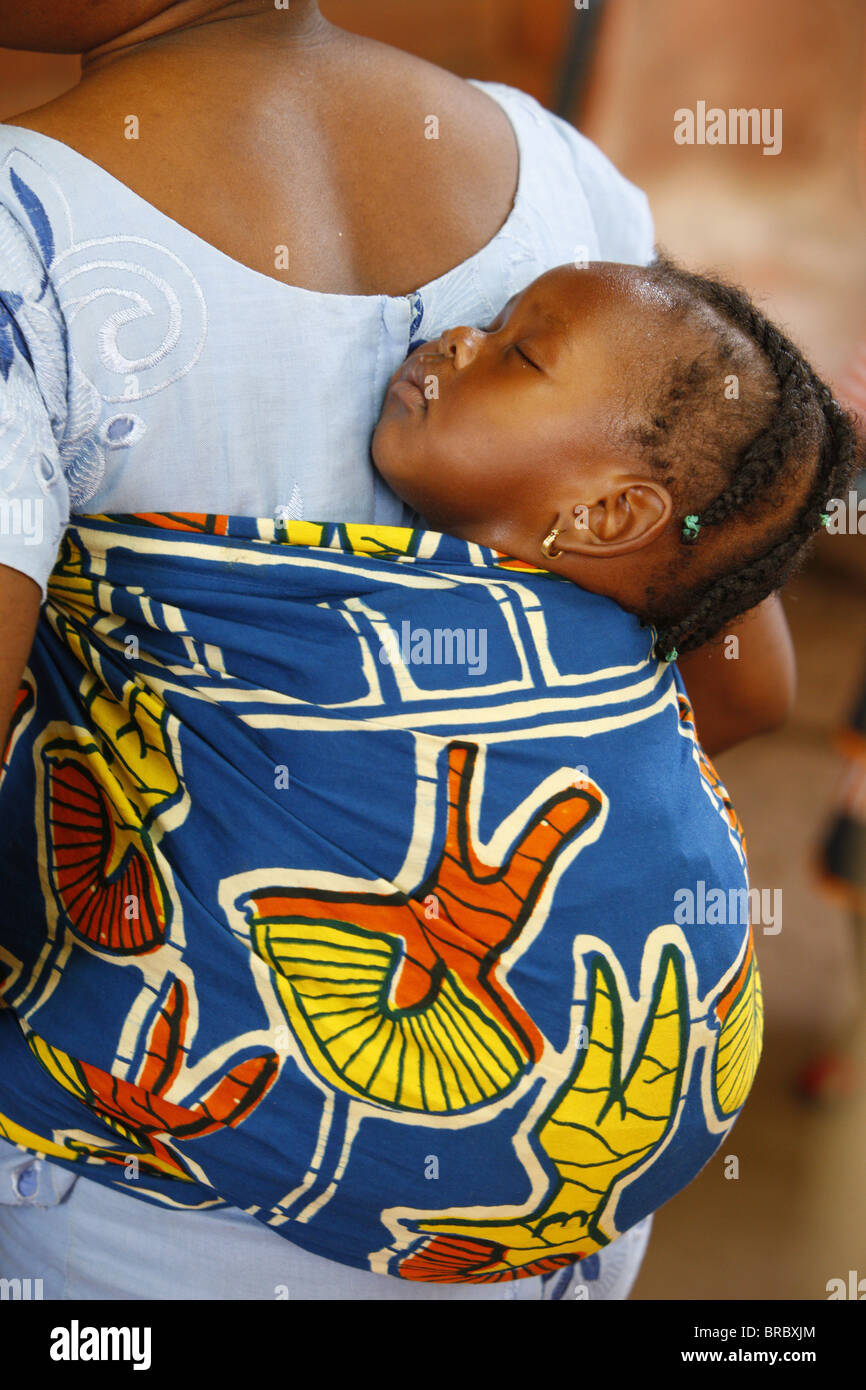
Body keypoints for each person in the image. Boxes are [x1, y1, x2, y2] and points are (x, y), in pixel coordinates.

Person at [0, 0, 796, 1300]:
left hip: (154, 1212)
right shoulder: (565, 183)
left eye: (514, 354)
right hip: (551, 1223)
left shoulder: (24, 227)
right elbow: (745, 683)